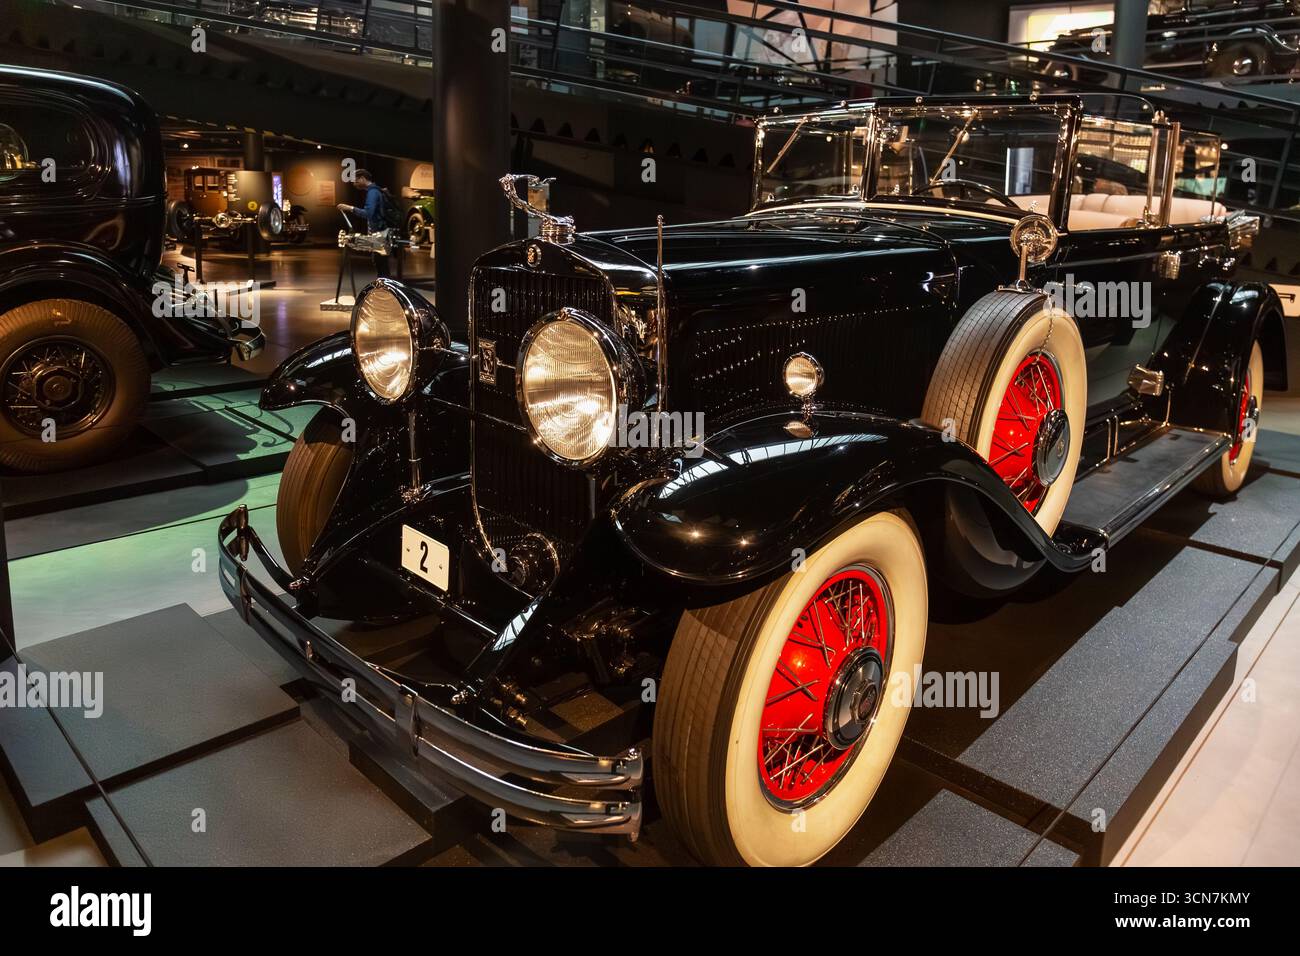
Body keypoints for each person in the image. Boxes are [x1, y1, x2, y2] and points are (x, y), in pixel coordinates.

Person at [338, 169, 392, 278]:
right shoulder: (376, 191)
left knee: (381, 268)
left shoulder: (373, 192)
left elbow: (368, 213)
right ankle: (383, 291)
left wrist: (350, 208)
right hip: (382, 233)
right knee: (382, 266)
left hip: (380, 234)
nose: (354, 184)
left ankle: (384, 292)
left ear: (362, 178)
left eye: (356, 181)